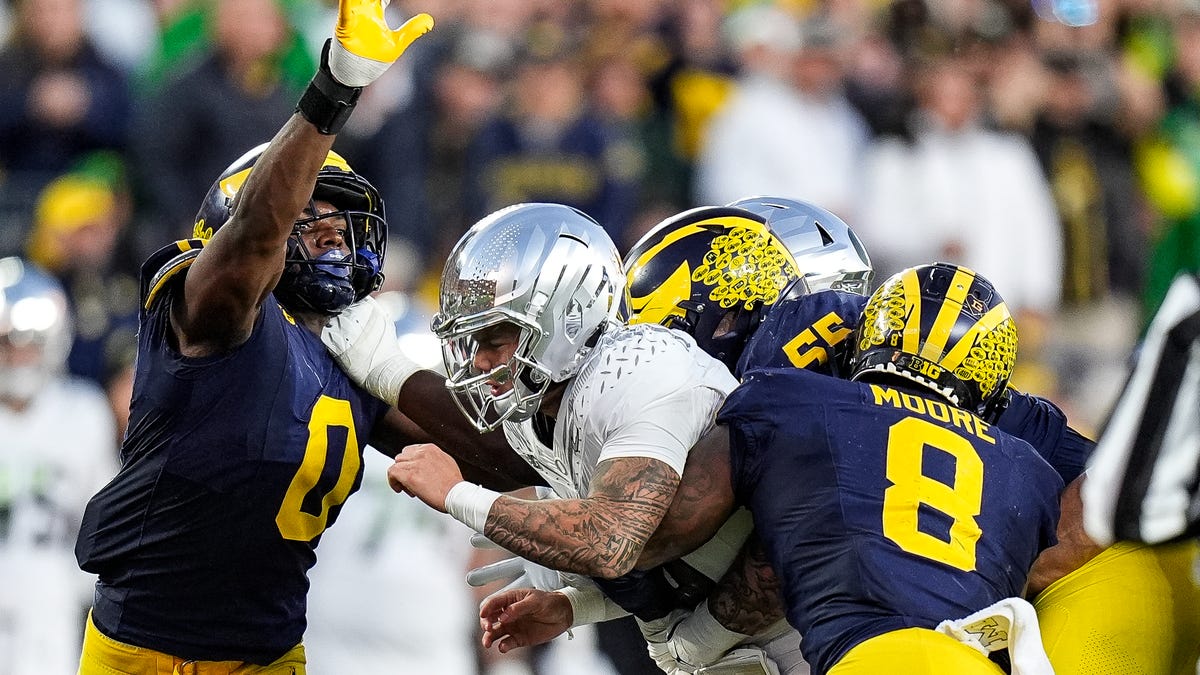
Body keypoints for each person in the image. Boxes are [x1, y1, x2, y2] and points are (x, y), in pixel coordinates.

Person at [72, 2, 439, 669]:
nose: (332, 237)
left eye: (342, 225)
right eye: (311, 218)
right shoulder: (209, 304)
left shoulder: (351, 346)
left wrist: (399, 374)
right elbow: (256, 235)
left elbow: (482, 450)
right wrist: (337, 87)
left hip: (271, 653)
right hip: (147, 654)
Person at [484, 263, 1066, 675]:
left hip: (867, 658)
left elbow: (656, 536)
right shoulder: (1031, 470)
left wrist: (557, 549)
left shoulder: (793, 401)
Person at [0, 256, 117, 675]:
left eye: (29, 341)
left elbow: (104, 526)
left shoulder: (82, 412)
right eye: (6, 343)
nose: (17, 356)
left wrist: (75, 585)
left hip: (52, 598)